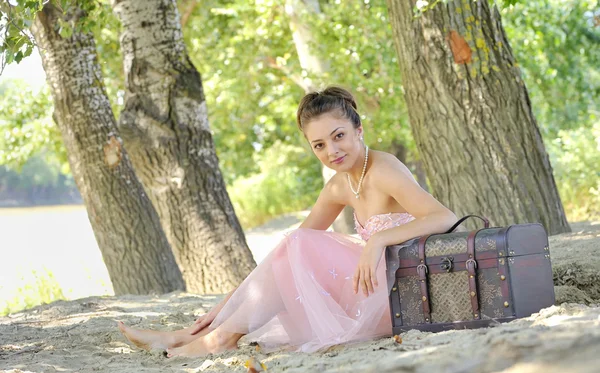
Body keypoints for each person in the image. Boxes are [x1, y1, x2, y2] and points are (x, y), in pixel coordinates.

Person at [118, 86, 457, 357]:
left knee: (297, 245)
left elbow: (445, 217)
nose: (332, 151)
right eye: (319, 145)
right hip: (367, 287)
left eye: (339, 136)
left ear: (359, 129)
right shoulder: (341, 184)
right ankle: (194, 334)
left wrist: (378, 240)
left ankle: (216, 339)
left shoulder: (384, 169)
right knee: (292, 244)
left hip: (399, 293)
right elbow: (289, 248)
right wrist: (226, 302)